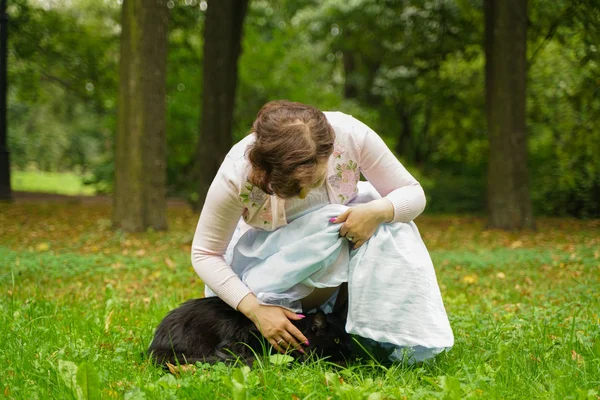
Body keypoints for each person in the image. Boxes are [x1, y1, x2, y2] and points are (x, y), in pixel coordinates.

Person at [191, 100, 429, 355]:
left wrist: (376, 212)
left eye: (314, 181)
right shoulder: (237, 171)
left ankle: (376, 331)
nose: (304, 195)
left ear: (330, 153)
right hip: (266, 266)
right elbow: (205, 253)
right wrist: (255, 310)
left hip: (332, 249)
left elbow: (413, 194)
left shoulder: (351, 135)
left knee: (394, 224)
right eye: (290, 188)